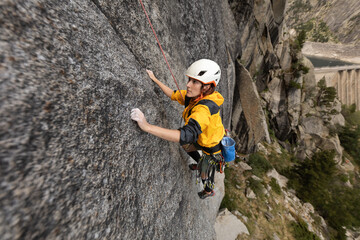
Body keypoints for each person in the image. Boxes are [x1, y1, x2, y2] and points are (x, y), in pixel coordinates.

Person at [131, 59, 225, 199]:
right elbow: (173, 94)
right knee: (185, 145)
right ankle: (199, 163)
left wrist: (147, 126)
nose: (188, 84)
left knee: (205, 173)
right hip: (204, 138)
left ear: (206, 87)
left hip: (212, 147)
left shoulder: (204, 110)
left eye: (194, 82)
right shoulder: (196, 97)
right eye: (189, 80)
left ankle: (208, 190)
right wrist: (154, 79)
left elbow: (186, 134)